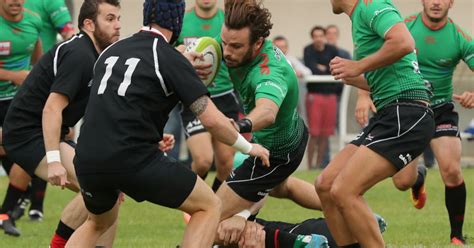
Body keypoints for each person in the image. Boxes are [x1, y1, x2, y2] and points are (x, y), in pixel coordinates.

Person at [65, 0, 270, 247]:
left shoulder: (110, 52)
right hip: (131, 157)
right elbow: (212, 120)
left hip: (88, 157)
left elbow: (123, 101)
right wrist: (250, 148)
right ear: (176, 20)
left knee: (96, 223)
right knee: (208, 206)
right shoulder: (168, 57)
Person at [0, 0, 121, 245]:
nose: (117, 26)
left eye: (118, 18)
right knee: (102, 188)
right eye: (110, 19)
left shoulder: (96, 56)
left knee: (109, 192)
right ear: (89, 24)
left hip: (43, 133)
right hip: (27, 135)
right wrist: (55, 161)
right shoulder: (80, 54)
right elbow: (52, 108)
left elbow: (103, 111)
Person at [315, 0, 434, 246]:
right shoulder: (359, 18)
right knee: (326, 184)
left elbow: (404, 42)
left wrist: (357, 65)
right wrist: (354, 76)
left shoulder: (371, 5)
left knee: (345, 190)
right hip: (389, 114)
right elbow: (381, 79)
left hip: (406, 112)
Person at [357, 0, 473, 244]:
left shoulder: (459, 37)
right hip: (407, 108)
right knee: (402, 182)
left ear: (451, 3)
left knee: (451, 170)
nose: (436, 3)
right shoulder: (403, 28)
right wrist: (363, 95)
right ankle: (417, 178)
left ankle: (456, 236)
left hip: (441, 110)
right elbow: (369, 56)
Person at [213, 0, 325, 246]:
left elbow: (267, 111)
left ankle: (299, 243)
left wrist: (240, 127)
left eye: (236, 46)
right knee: (283, 188)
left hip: (275, 153)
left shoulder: (268, 71)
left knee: (211, 221)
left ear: (257, 43)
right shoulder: (235, 42)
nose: (227, 51)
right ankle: (355, 212)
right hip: (291, 136)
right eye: (224, 43)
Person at [11, 0, 76, 222]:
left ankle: (29, 206)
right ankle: (19, 201)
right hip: (18, 95)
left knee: (42, 144)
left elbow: (68, 32)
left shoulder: (43, 10)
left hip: (35, 93)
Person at [177, 0, 241, 192]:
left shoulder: (228, 21)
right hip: (193, 97)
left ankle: (214, 204)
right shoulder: (182, 21)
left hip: (225, 97)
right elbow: (167, 52)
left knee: (226, 163)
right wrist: (179, 52)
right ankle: (190, 200)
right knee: (204, 160)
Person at [0, 0, 42, 234]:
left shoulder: (33, 21)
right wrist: (13, 75)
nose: (15, 1)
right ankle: (21, 197)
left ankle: (5, 212)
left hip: (19, 102)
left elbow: (38, 62)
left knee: (26, 151)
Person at [303, 26, 339, 169]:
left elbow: (333, 68)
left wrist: (323, 68)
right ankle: (310, 165)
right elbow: (311, 67)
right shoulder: (308, 50)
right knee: (314, 133)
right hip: (314, 95)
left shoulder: (333, 50)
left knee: (325, 133)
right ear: (312, 37)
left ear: (324, 36)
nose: (318, 38)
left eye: (320, 35)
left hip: (330, 95)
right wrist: (322, 68)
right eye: (315, 36)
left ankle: (318, 166)